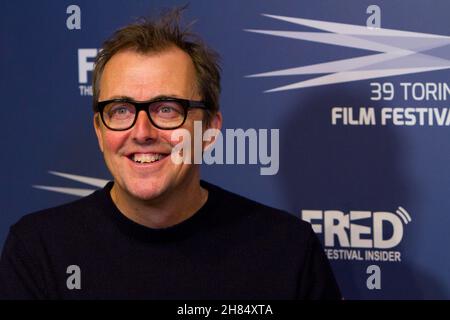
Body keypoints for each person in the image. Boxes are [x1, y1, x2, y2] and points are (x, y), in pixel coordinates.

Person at [0, 8, 341, 300]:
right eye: (120, 110)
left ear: (210, 129)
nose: (142, 132)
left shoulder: (286, 250)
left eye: (166, 109)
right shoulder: (38, 251)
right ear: (99, 130)